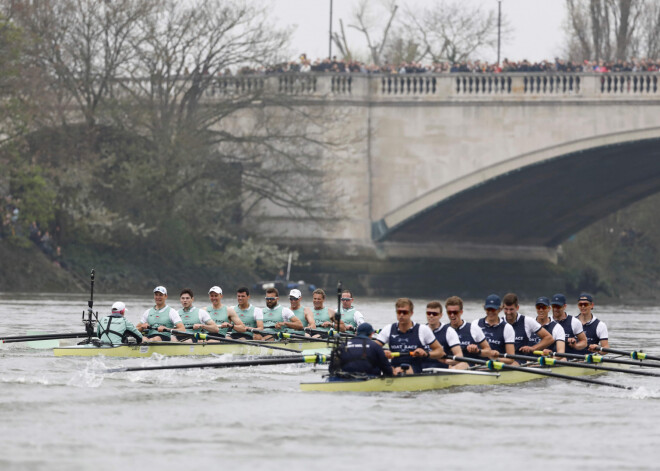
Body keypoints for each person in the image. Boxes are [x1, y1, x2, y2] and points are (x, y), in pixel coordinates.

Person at [374, 298, 446, 375]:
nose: (401, 315)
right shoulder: (388, 329)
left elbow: (440, 352)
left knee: (399, 371)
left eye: (404, 312)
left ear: (411, 313)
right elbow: (371, 349)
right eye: (399, 312)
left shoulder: (422, 329)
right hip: (393, 367)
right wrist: (382, 353)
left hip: (414, 368)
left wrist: (426, 353)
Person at [444, 296, 493, 360]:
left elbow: (488, 351)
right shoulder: (444, 330)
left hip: (470, 367)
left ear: (461, 312)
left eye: (455, 312)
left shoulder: (473, 328)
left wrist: (478, 351)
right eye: (449, 312)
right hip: (449, 366)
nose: (452, 315)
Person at [421, 301, 466, 370]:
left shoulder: (449, 331)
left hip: (441, 370)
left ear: (440, 315)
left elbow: (459, 355)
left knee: (464, 365)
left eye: (434, 314)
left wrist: (447, 361)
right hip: (421, 369)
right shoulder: (420, 330)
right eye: (429, 313)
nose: (431, 316)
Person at [477, 294, 518, 365]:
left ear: (500, 309)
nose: (490, 312)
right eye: (488, 309)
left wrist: (496, 359)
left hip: (496, 365)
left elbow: (511, 359)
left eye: (493, 309)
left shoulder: (507, 328)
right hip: (477, 363)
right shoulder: (476, 324)